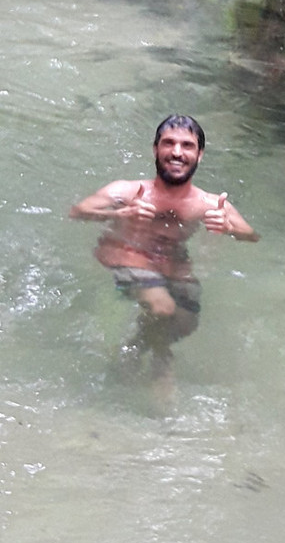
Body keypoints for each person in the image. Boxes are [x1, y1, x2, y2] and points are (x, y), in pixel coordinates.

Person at [70, 114, 258, 387]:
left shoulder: (210, 204)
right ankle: (162, 362)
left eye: (187, 145)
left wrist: (228, 226)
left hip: (174, 265)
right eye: (168, 143)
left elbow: (251, 236)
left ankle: (132, 350)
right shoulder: (127, 190)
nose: (177, 152)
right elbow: (78, 212)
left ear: (200, 154)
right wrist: (121, 212)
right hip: (128, 254)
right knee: (162, 307)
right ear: (155, 149)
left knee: (185, 322)